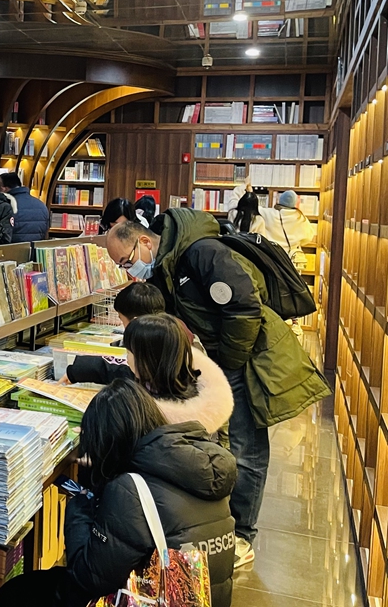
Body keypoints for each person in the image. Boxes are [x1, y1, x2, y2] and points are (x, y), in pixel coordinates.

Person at [105, 208, 329, 566]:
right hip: (229, 357)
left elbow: (243, 307)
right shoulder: (169, 264)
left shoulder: (200, 252)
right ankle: (230, 524)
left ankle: (242, 536)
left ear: (144, 242)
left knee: (248, 445)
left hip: (250, 356)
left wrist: (230, 361)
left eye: (127, 260)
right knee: (236, 441)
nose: (128, 269)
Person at [0, 380, 237, 607]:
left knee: (13, 595)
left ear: (109, 441)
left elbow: (88, 577)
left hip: (154, 598)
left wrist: (80, 505)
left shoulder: (130, 490)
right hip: (204, 599)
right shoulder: (200, 467)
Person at [64, 281, 166, 384]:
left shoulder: (149, 354)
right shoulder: (169, 334)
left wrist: (80, 370)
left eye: (122, 321)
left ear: (137, 322)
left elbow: (128, 374)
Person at [258, 190, 317, 259]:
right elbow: (308, 238)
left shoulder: (268, 213)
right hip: (290, 258)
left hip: (270, 256)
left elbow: (252, 207)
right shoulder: (301, 218)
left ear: (280, 200)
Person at [0, 171, 49, 242]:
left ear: (3, 188)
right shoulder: (41, 205)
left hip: (12, 249)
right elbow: (45, 230)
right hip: (35, 250)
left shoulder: (6, 205)